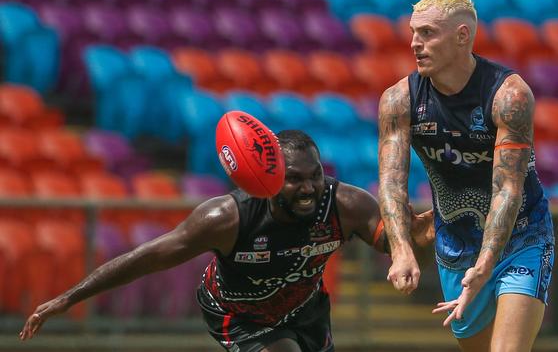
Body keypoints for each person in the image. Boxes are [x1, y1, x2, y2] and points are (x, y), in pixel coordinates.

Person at [19, 130, 435, 352]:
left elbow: (398, 241)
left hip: (307, 310)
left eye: (314, 176)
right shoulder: (226, 218)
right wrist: (68, 299)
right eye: (295, 179)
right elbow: (147, 257)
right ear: (271, 177)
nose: (309, 188)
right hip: (237, 315)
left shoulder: (343, 204)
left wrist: (447, 217)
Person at [377, 0, 554, 352]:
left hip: (522, 238)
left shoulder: (509, 95)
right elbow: (391, 183)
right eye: (413, 32)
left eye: (427, 33)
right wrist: (402, 251)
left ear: (462, 36)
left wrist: (487, 263)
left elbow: (508, 188)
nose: (414, 43)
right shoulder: (399, 100)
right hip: (455, 246)